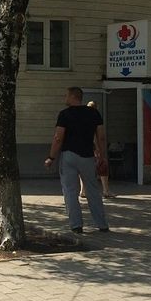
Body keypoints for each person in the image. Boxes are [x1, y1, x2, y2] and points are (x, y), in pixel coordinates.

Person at [44, 87, 110, 234]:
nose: (65, 98)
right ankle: (102, 224)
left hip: (69, 155)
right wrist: (102, 156)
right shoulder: (93, 113)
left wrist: (51, 157)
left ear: (73, 96)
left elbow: (58, 138)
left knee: (70, 191)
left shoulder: (64, 114)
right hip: (88, 156)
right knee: (93, 190)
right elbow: (101, 137)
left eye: (67, 95)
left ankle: (76, 225)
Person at [79, 101, 115, 199]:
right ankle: (106, 190)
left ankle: (83, 190)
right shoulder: (94, 118)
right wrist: (98, 149)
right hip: (93, 147)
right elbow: (98, 136)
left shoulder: (81, 119)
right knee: (103, 166)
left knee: (83, 169)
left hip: (81, 148)